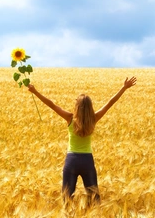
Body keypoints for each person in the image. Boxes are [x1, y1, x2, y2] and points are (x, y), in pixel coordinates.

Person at [27, 76, 137, 207]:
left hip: (71, 160)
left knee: (67, 199)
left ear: (77, 106)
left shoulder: (69, 118)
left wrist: (35, 92)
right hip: (87, 161)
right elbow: (109, 103)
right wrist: (124, 88)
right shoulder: (94, 118)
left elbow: (52, 104)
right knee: (94, 200)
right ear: (90, 106)